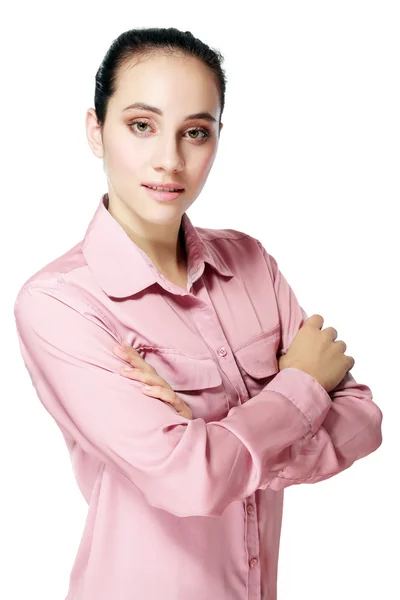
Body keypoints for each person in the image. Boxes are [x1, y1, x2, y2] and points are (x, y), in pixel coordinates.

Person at [13, 27, 383, 600]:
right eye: (142, 125)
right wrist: (303, 386)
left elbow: (364, 419)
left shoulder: (251, 263)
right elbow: (190, 481)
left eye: (195, 132)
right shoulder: (60, 302)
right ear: (96, 129)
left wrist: (220, 444)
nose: (170, 159)